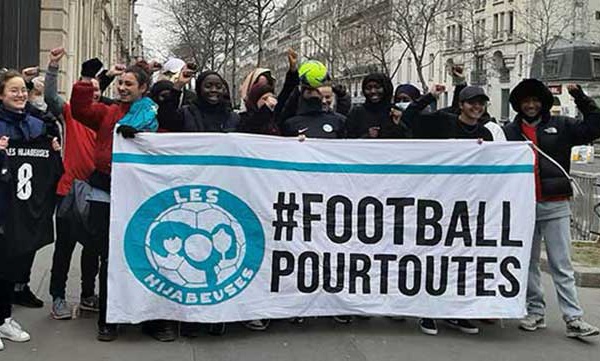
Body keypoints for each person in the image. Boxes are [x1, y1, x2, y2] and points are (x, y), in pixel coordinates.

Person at [402, 84, 505, 336]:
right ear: (461, 104)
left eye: (481, 103)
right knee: (433, 256)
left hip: (468, 204)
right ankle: (428, 312)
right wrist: (429, 97)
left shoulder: (486, 133)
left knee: (460, 259)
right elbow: (408, 118)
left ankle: (456, 313)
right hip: (438, 201)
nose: (476, 107)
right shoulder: (442, 122)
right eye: (471, 103)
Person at [503, 79, 600, 339]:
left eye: (535, 100)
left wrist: (581, 97)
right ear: (518, 104)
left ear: (543, 103)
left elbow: (594, 125)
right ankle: (535, 312)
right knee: (530, 263)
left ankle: (574, 318)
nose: (531, 105)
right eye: (526, 101)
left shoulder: (563, 125)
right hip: (524, 206)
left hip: (556, 204)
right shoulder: (509, 132)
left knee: (561, 264)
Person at [70, 60, 158, 342]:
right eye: (120, 83)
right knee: (107, 256)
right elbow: (81, 109)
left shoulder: (154, 117)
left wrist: (144, 137)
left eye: (128, 84)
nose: (122, 88)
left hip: (137, 193)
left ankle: (147, 316)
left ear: (143, 88)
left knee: (141, 252)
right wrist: (88, 78)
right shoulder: (108, 113)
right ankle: (108, 318)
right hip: (104, 190)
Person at [0, 69, 62, 351]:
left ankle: (3, 318)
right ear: (2, 95)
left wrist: (54, 150)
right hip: (3, 207)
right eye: (13, 90)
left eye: (23, 90)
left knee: (10, 265)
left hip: (21, 211)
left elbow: (51, 169)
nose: (20, 94)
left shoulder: (36, 125)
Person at [44, 48, 102, 320]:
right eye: (89, 88)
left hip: (98, 193)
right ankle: (58, 297)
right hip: (69, 190)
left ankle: (88, 295)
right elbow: (50, 97)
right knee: (64, 248)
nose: (94, 92)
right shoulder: (69, 114)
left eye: (98, 89)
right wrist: (53, 66)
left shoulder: (108, 117)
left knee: (93, 249)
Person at [346, 73, 395, 139]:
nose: (373, 91)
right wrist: (367, 136)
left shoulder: (395, 112)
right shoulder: (356, 113)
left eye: (377, 87)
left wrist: (398, 124)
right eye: (368, 88)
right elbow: (348, 139)